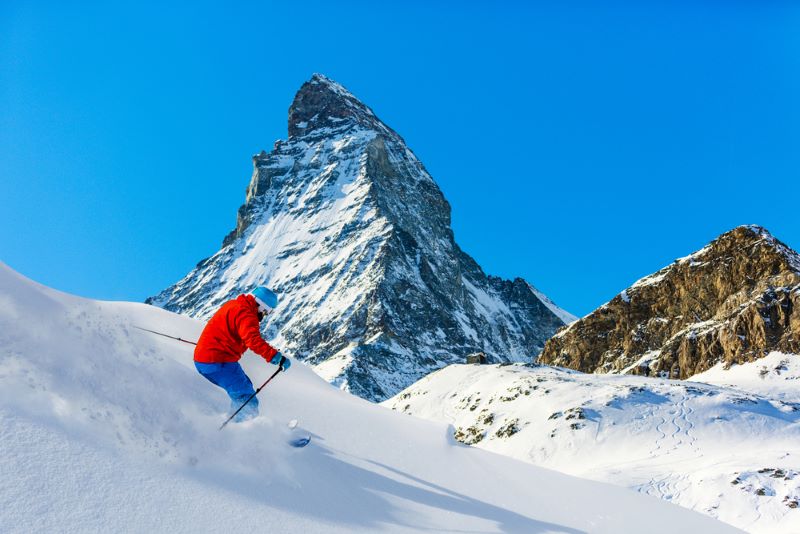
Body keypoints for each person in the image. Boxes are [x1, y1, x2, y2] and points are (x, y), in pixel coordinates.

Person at [194, 286, 291, 422]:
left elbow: (223, 329)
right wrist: (276, 357)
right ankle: (239, 432)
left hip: (208, 357)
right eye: (266, 312)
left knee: (245, 389)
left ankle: (235, 422)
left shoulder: (236, 304)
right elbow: (253, 340)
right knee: (247, 399)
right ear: (262, 307)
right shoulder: (247, 314)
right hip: (216, 361)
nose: (264, 316)